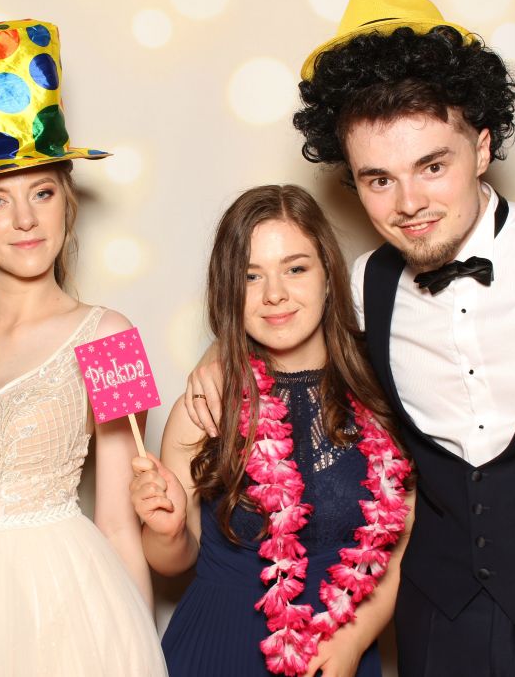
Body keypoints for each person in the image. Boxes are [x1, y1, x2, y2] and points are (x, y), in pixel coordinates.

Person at [186, 0, 515, 674]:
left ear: (482, 146)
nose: (409, 204)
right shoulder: (364, 285)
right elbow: (282, 320)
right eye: (378, 179)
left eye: (432, 166)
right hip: (436, 632)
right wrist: (220, 358)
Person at [0, 20, 166, 675]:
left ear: (66, 203)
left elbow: (120, 521)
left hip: (57, 604)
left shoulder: (112, 336)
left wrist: (137, 652)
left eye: (42, 192)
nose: (24, 219)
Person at [133, 184, 412, 677]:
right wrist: (166, 530)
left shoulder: (384, 393)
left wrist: (353, 640)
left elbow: (408, 542)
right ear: (228, 290)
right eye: (250, 276)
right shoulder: (205, 406)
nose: (274, 294)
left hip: (340, 650)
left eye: (296, 268)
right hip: (217, 650)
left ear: (328, 275)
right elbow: (174, 562)